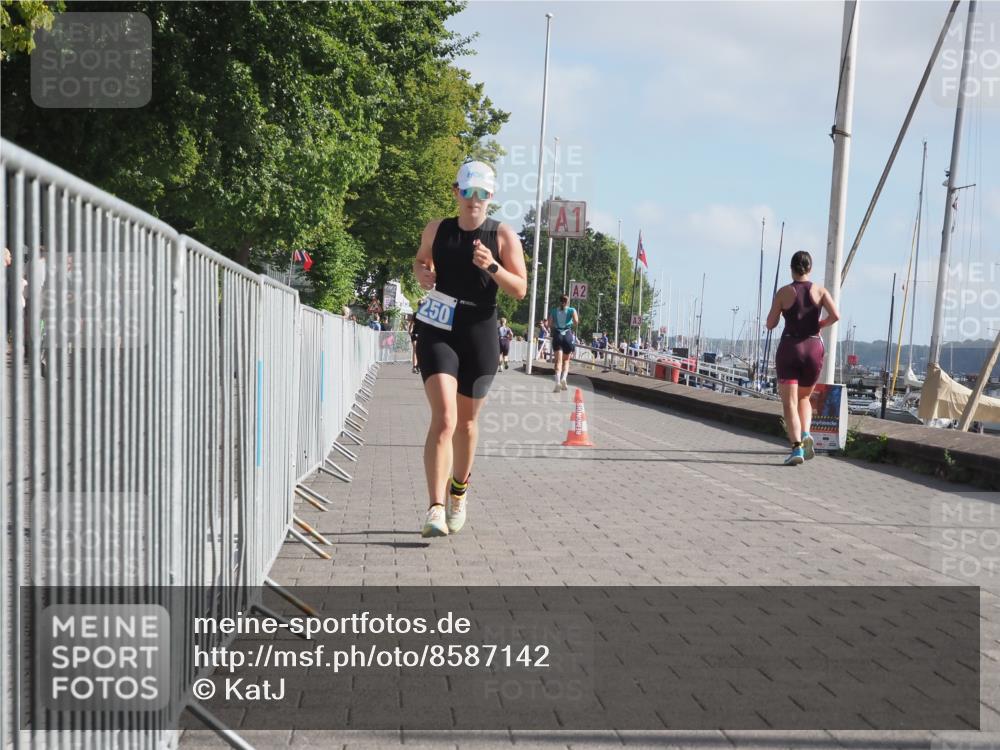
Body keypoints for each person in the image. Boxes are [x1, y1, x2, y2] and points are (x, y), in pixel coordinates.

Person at [412, 160, 527, 537]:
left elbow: (519, 289)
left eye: (482, 194)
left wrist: (493, 266)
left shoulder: (503, 235)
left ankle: (458, 491)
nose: (474, 200)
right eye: (467, 192)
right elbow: (421, 260)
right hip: (439, 327)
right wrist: (422, 273)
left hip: (480, 331)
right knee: (444, 419)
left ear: (491, 197)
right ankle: (435, 507)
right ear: (456, 192)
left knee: (466, 423)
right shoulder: (438, 229)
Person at [765, 250, 840, 466]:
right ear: (810, 268)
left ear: (791, 268)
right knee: (804, 398)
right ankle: (807, 434)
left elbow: (770, 324)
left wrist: (780, 313)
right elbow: (836, 315)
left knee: (789, 403)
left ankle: (796, 447)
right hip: (814, 348)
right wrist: (820, 324)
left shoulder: (784, 292)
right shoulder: (820, 291)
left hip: (790, 347)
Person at [547, 294, 579, 392]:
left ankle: (557, 382)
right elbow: (576, 321)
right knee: (566, 361)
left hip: (557, 335)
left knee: (558, 361)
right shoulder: (572, 310)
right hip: (568, 335)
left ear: (560, 301)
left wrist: (556, 324)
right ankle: (564, 379)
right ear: (568, 302)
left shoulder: (553, 311)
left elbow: (549, 324)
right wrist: (569, 324)